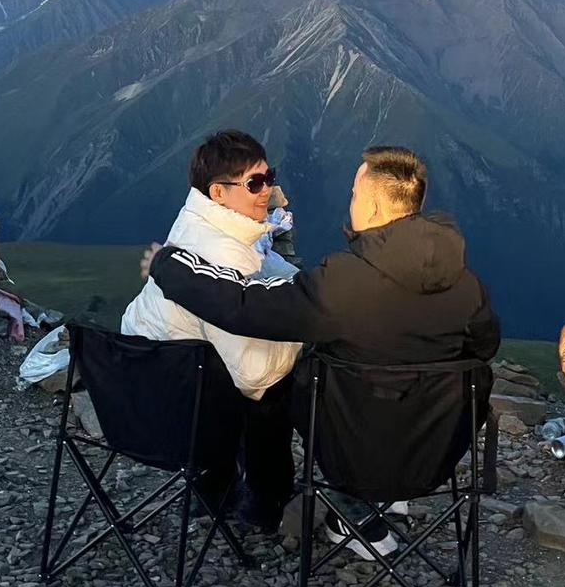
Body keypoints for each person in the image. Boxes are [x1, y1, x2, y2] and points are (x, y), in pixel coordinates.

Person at [144, 145, 501, 558]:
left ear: (371, 207)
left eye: (353, 193)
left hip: (350, 456)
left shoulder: (344, 284)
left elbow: (244, 307)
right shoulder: (468, 286)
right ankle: (381, 501)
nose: (349, 200)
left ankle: (284, 502)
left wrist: (170, 267)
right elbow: (483, 349)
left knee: (270, 388)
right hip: (434, 455)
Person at [122, 130, 302, 529]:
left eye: (269, 176)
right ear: (218, 192)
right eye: (254, 183)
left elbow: (257, 271)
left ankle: (217, 486)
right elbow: (254, 375)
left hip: (137, 381)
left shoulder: (198, 221)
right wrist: (304, 326)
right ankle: (266, 502)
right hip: (183, 407)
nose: (267, 190)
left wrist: (292, 283)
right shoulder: (223, 251)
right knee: (276, 384)